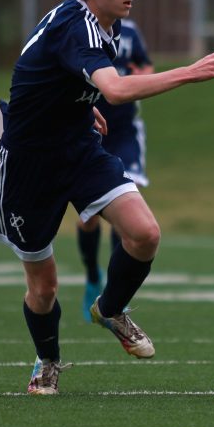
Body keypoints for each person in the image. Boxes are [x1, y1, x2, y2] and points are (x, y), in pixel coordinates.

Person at [0, 0, 214, 395]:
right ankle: (47, 361)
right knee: (43, 288)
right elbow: (117, 89)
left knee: (144, 234)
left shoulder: (105, 22)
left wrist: (81, 108)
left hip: (79, 149)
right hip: (30, 164)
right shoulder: (77, 24)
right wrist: (190, 71)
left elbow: (55, 75)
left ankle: (110, 308)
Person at [77, 18, 154, 322]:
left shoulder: (131, 31)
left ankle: (112, 291)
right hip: (87, 130)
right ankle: (93, 274)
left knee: (128, 211)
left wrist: (141, 75)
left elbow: (145, 66)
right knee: (90, 218)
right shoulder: (78, 29)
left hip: (124, 133)